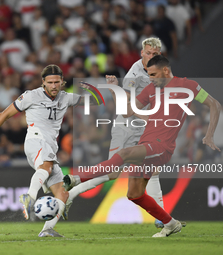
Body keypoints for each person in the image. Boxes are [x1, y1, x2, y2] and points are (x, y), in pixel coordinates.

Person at [68, 55, 221, 237]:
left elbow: (215, 104)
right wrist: (115, 89)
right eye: (149, 75)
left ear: (166, 70)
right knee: (134, 194)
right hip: (146, 143)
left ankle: (77, 179)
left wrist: (209, 135)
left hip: (162, 146)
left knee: (124, 153)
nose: (151, 79)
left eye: (154, 74)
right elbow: (127, 112)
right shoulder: (150, 89)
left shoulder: (188, 86)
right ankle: (170, 224)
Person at [0, 64, 99, 237]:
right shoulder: (30, 96)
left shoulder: (66, 98)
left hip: (49, 147)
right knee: (46, 165)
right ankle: (30, 196)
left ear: (62, 82)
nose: (54, 86)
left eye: (57, 82)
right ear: (43, 82)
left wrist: (90, 86)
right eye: (50, 82)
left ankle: (47, 230)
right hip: (35, 140)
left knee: (62, 195)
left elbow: (96, 100)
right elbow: (5, 114)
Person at [64, 38, 168, 228]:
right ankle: (70, 193)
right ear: (141, 54)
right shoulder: (134, 74)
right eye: (148, 53)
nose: (151, 56)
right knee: (112, 173)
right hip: (126, 127)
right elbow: (125, 106)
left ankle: (161, 218)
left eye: (155, 54)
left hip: (144, 128)